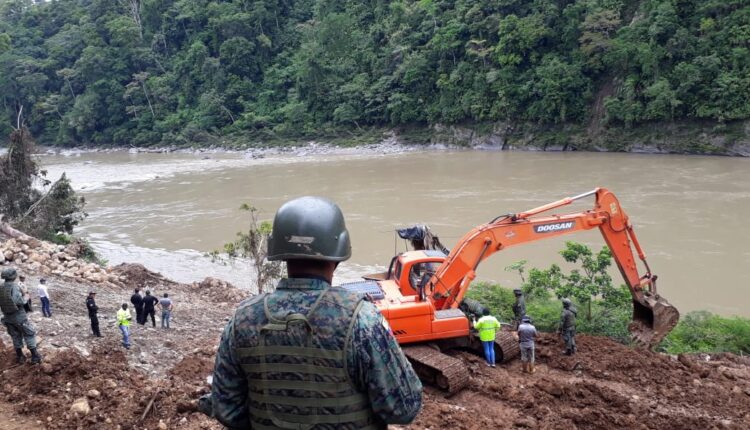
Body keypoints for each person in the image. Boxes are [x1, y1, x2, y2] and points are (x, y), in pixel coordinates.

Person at [205, 196, 423, 429]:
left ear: (280, 253)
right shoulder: (362, 319)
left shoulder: (243, 319)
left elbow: (226, 409)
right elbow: (403, 409)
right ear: (337, 256)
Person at [1, 268, 42, 364]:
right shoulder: (14, 286)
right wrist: (26, 298)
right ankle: (35, 356)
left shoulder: (1, 287)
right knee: (29, 333)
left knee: (15, 336)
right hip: (19, 316)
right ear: (13, 276)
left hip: (7, 317)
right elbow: (18, 301)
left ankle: (20, 357)